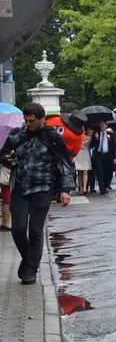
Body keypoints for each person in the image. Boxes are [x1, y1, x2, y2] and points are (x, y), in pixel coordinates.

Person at [0, 102, 75, 284]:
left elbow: (65, 164)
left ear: (42, 119)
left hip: (43, 189)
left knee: (35, 229)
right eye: (26, 120)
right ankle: (27, 259)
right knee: (17, 229)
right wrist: (8, 158)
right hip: (20, 187)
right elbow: (2, 155)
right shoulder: (17, 134)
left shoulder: (52, 137)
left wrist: (65, 190)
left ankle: (31, 269)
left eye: (32, 121)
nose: (28, 123)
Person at [90, 120, 116, 194]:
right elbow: (91, 145)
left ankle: (106, 186)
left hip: (108, 155)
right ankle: (101, 188)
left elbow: (114, 146)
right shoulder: (96, 134)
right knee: (100, 172)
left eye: (103, 124)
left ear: (106, 125)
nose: (102, 126)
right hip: (98, 155)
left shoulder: (111, 135)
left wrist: (115, 157)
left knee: (107, 172)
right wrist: (95, 139)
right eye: (100, 125)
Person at [74, 127, 94, 194]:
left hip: (85, 154)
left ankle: (85, 187)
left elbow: (91, 145)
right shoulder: (76, 137)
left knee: (85, 171)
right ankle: (80, 188)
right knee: (80, 172)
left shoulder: (88, 138)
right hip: (78, 154)